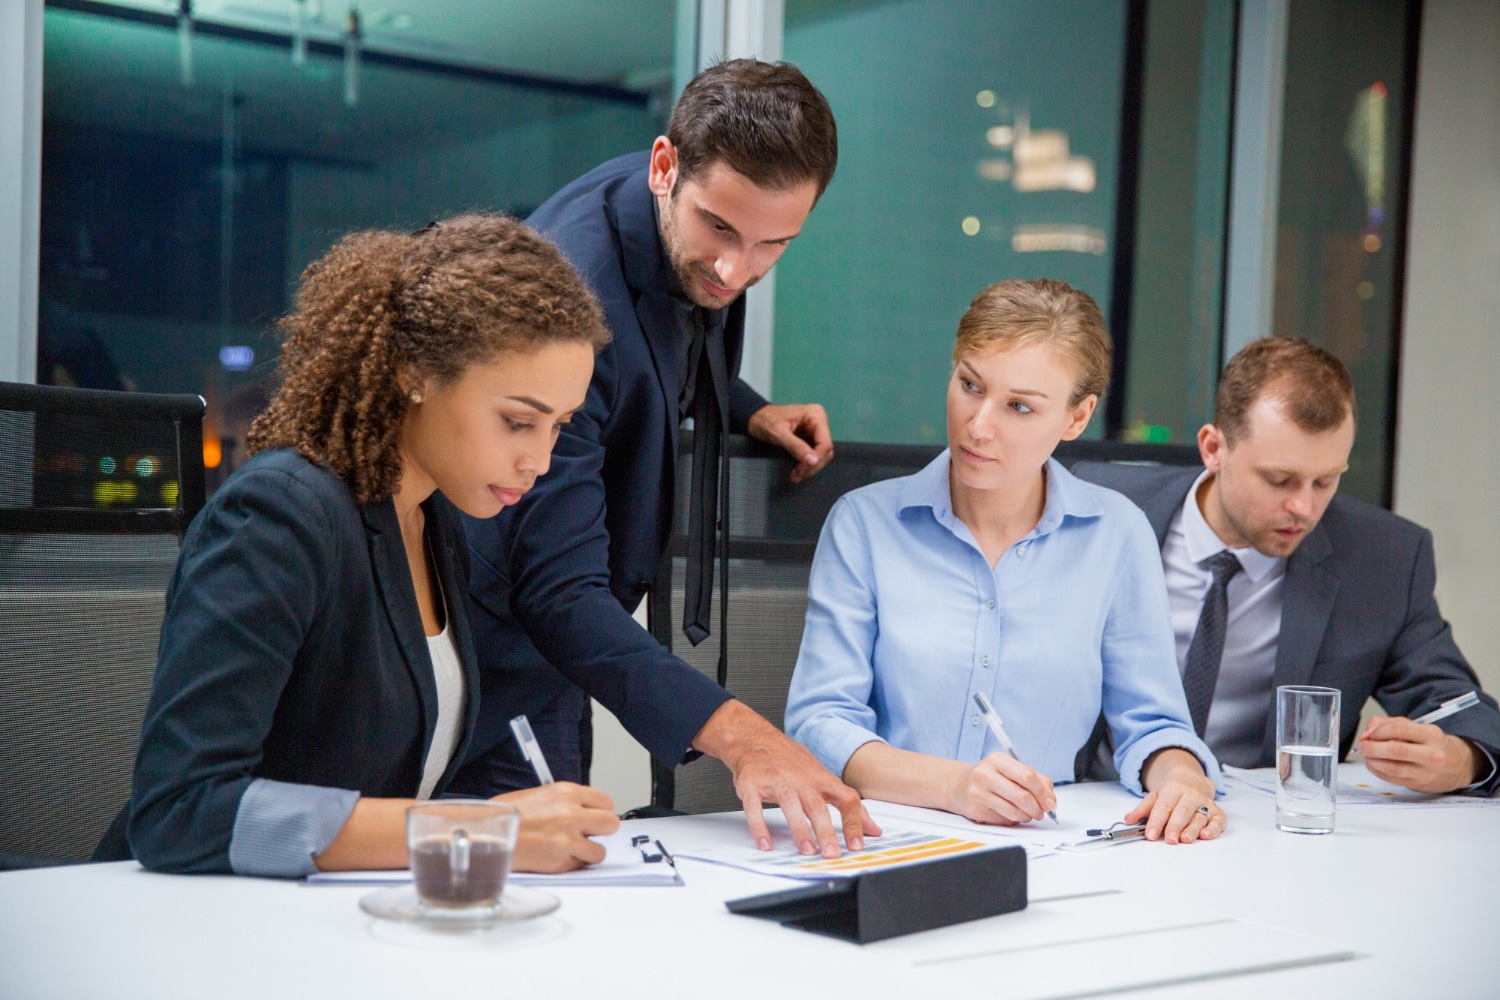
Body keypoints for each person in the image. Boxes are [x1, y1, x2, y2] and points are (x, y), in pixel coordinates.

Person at [457, 59, 877, 858]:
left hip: (563, 632)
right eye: (719, 229)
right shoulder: (575, 310)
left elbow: (677, 331)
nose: (735, 270)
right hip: (495, 643)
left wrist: (744, 406)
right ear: (663, 166)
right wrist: (744, 735)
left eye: (772, 245)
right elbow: (553, 588)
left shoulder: (689, 210)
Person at [127, 215, 624, 876]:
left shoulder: (430, 519)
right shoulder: (278, 516)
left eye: (559, 426)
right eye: (517, 421)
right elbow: (181, 811)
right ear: (414, 372)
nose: (539, 459)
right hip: (204, 931)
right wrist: (476, 829)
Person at [786, 279, 1226, 845]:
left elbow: (1154, 724)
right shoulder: (865, 525)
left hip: (1048, 847)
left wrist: (1183, 779)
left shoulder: (1117, 535)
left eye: (1019, 406)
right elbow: (821, 723)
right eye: (970, 385)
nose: (979, 425)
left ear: (1076, 418)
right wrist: (957, 786)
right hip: (885, 841)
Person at [1074, 338, 1500, 794]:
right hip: (1097, 805)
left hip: (1262, 828)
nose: (1303, 506)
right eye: (1280, 480)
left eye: (1326, 481)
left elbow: (1460, 707)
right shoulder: (1094, 506)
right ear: (1213, 448)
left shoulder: (1382, 558)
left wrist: (1461, 759)